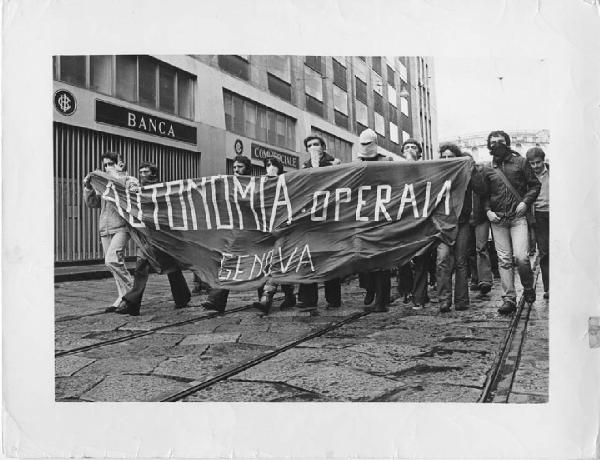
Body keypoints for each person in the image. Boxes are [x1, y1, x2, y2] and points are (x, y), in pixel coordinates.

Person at [472, 130, 541, 314]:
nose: (496, 145)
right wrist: (487, 211)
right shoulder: (487, 168)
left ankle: (527, 287)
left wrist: (525, 202)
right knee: (503, 260)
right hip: (498, 219)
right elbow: (484, 194)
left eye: (500, 141)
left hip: (518, 218)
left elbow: (535, 185)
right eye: (492, 142)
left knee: (521, 257)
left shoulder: (521, 162)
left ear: (507, 143)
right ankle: (509, 298)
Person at [114, 162, 192, 316]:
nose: (143, 175)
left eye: (146, 172)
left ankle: (182, 296)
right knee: (141, 268)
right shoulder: (136, 190)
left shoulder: (160, 190)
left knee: (171, 267)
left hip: (161, 236)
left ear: (154, 174)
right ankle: (133, 303)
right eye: (141, 172)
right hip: (146, 236)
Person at [200, 155, 253, 314]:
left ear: (247, 168)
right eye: (235, 167)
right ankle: (216, 299)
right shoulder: (228, 184)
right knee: (228, 262)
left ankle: (267, 296)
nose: (236, 170)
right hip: (236, 231)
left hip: (253, 230)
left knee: (261, 263)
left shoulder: (255, 184)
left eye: (240, 167)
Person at [83, 152, 134, 313]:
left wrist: (116, 175)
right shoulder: (103, 184)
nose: (107, 167)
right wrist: (88, 187)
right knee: (114, 265)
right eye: (105, 165)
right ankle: (122, 297)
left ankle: (132, 294)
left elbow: (131, 197)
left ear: (121, 163)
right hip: (105, 228)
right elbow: (92, 204)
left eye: (111, 163)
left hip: (121, 226)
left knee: (112, 260)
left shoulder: (129, 180)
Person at [296, 136, 342, 310]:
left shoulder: (335, 164)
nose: (313, 147)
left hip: (330, 219)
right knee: (308, 258)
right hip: (310, 220)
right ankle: (308, 298)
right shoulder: (304, 168)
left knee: (330, 258)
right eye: (309, 145)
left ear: (323, 147)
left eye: (316, 144)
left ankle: (333, 298)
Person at [252, 157, 297, 314]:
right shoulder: (261, 184)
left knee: (276, 263)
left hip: (284, 229)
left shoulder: (288, 181)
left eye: (273, 165)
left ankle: (267, 297)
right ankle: (289, 295)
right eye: (267, 165)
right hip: (267, 230)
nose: (270, 167)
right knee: (272, 264)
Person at [355, 129, 393, 313]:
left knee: (382, 261)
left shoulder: (387, 162)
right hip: (362, 217)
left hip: (382, 216)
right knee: (363, 259)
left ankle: (381, 299)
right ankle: (369, 288)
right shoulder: (356, 163)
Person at [436, 143, 472, 312]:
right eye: (444, 157)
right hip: (442, 224)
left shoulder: (465, 173)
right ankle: (444, 300)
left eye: (451, 157)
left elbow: (480, 188)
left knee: (460, 261)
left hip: (462, 222)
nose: (447, 160)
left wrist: (472, 169)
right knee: (442, 259)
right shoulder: (436, 174)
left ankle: (461, 301)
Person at [399, 138, 431, 310]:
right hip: (402, 221)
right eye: (407, 147)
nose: (410, 149)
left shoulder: (427, 170)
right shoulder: (395, 171)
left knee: (421, 259)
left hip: (421, 221)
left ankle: (419, 297)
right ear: (402, 152)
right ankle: (406, 290)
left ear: (420, 153)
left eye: (414, 147)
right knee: (402, 260)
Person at [526, 147, 549, 299]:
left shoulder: (554, 172)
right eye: (532, 164)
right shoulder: (527, 177)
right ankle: (549, 287)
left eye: (538, 162)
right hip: (539, 215)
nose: (535, 166)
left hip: (557, 213)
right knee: (544, 251)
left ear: (543, 160)